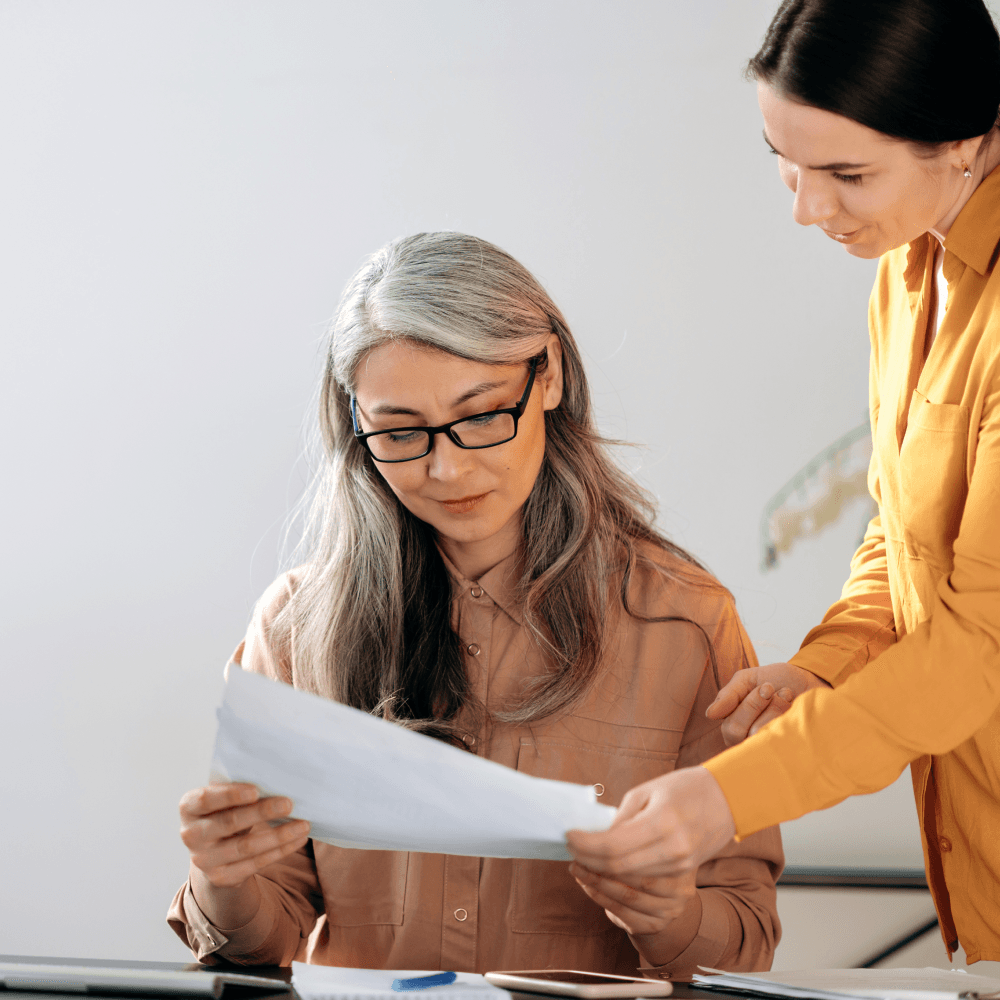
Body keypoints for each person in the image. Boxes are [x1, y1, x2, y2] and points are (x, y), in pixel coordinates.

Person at [167, 233, 782, 978]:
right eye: (399, 432)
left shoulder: (685, 624)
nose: (446, 467)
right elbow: (260, 946)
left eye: (483, 414)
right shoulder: (298, 626)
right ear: (357, 426)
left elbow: (744, 940)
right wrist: (225, 875)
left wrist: (669, 913)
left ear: (547, 375)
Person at [566, 0, 1000, 967]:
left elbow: (982, 644)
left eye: (847, 173)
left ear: (963, 140)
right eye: (783, 160)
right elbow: (904, 536)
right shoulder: (910, 265)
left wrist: (728, 796)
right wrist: (825, 667)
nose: (807, 207)